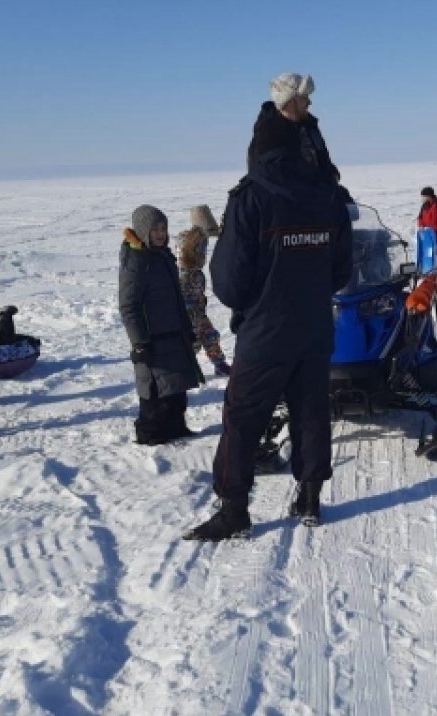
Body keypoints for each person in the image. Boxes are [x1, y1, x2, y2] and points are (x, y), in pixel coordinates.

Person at [186, 142, 353, 541]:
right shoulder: (328, 197)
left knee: (242, 418)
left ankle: (234, 510)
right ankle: (310, 499)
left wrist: (262, 305)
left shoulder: (252, 198)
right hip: (314, 326)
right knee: (311, 413)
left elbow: (228, 280)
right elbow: (343, 269)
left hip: (266, 333)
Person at [118, 205, 203, 445]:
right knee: (156, 394)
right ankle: (151, 440)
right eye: (155, 229)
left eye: (163, 228)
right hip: (152, 340)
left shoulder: (162, 255)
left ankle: (177, 431)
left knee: (177, 390)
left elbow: (176, 298)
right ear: (144, 230)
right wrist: (139, 342)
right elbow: (128, 306)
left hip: (174, 335)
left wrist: (188, 330)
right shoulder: (136, 261)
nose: (160, 233)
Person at [246, 72, 339, 183]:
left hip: (322, 195)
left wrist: (332, 175)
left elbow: (323, 162)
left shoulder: (310, 127)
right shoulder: (268, 133)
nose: (309, 102)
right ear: (291, 100)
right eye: (305, 97)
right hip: (297, 198)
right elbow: (272, 182)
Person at [176, 206, 231, 377]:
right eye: (200, 253)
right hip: (186, 315)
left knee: (210, 336)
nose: (203, 258)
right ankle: (184, 368)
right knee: (192, 342)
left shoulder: (197, 274)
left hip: (198, 313)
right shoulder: (182, 276)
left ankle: (219, 364)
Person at [417, 186, 437, 275]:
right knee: (427, 253)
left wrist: (435, 230)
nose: (422, 199)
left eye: (424, 197)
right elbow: (420, 217)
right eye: (422, 197)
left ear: (429, 196)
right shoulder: (424, 206)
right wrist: (421, 226)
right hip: (427, 235)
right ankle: (428, 269)